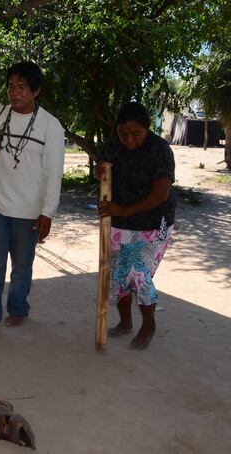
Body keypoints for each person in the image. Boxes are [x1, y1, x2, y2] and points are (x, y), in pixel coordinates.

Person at [0, 61, 65, 333]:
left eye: (22, 87)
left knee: (22, 267)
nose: (15, 92)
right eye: (11, 86)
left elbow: (54, 173)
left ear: (36, 91)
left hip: (29, 210)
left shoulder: (51, 126)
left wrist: (48, 213)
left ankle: (19, 308)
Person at [96, 101, 176, 350]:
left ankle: (149, 324)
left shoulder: (159, 150)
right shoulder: (113, 146)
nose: (129, 140)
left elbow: (160, 194)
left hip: (154, 223)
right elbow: (103, 169)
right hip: (119, 221)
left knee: (138, 275)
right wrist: (99, 172)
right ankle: (125, 322)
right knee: (120, 276)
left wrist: (124, 210)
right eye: (123, 134)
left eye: (136, 134)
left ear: (147, 129)